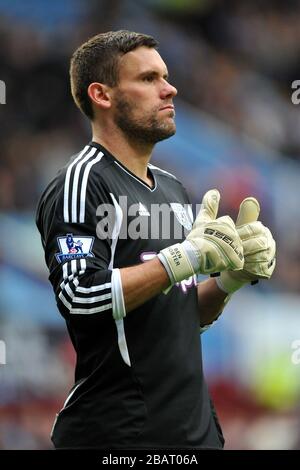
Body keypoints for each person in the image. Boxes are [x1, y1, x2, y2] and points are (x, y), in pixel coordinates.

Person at [36, 30, 276, 450]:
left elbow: (179, 317)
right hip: (119, 436)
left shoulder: (174, 189)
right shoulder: (82, 181)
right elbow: (79, 296)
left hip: (194, 435)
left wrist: (229, 280)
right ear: (102, 95)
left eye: (165, 76)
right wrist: (181, 258)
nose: (170, 88)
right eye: (148, 79)